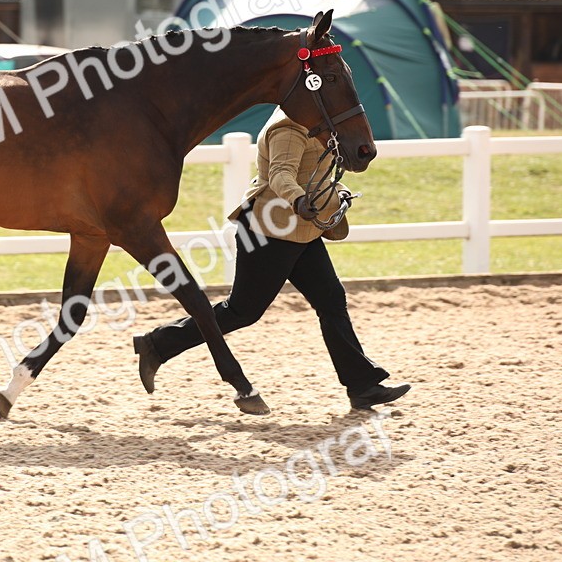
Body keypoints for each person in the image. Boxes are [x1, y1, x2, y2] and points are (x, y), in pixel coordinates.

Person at [132, 107, 410, 411]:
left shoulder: (318, 121)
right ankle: (157, 344)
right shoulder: (289, 127)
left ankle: (362, 386)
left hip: (302, 229)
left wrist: (338, 191)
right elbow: (281, 175)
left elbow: (315, 172)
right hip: (269, 232)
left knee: (331, 300)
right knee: (241, 311)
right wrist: (298, 200)